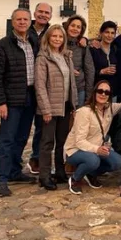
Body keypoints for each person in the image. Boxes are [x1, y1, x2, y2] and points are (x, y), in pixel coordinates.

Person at [0, 9, 39, 197]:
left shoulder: (34, 42)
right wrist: (0, 102)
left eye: (26, 19)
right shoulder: (3, 46)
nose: (22, 22)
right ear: (13, 22)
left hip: (30, 97)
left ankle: (14, 172)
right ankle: (0, 178)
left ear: (30, 21)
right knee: (6, 140)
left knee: (21, 137)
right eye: (19, 19)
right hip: (11, 99)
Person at [34, 24, 77, 190]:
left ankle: (60, 171)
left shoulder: (66, 56)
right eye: (54, 36)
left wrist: (73, 104)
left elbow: (71, 83)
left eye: (60, 37)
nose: (57, 39)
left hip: (65, 105)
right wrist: (45, 109)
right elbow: (40, 85)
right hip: (50, 107)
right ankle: (44, 176)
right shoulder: (43, 58)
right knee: (47, 142)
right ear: (48, 38)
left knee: (62, 141)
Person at [64, 80, 121, 194]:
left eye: (107, 92)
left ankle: (91, 173)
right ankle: (75, 179)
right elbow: (79, 141)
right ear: (94, 92)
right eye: (100, 91)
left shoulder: (110, 109)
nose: (103, 94)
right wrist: (97, 149)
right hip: (75, 150)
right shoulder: (84, 112)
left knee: (117, 162)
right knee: (93, 161)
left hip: (96, 150)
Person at [27, 2, 53, 175]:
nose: (43, 15)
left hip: (45, 85)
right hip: (26, 86)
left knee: (42, 126)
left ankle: (37, 158)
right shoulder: (24, 31)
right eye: (40, 12)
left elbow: (69, 39)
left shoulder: (52, 33)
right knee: (21, 127)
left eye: (46, 12)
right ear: (34, 13)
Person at [64, 15, 95, 107]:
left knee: (78, 119)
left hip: (79, 89)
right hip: (61, 89)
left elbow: (89, 71)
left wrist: (88, 96)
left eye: (78, 27)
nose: (75, 29)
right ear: (67, 26)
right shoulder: (59, 42)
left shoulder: (83, 47)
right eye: (72, 25)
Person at [91, 20, 119, 87]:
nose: (109, 35)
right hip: (98, 89)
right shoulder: (93, 49)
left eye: (112, 33)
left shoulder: (115, 50)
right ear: (101, 33)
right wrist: (101, 71)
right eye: (107, 32)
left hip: (113, 90)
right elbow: (88, 71)